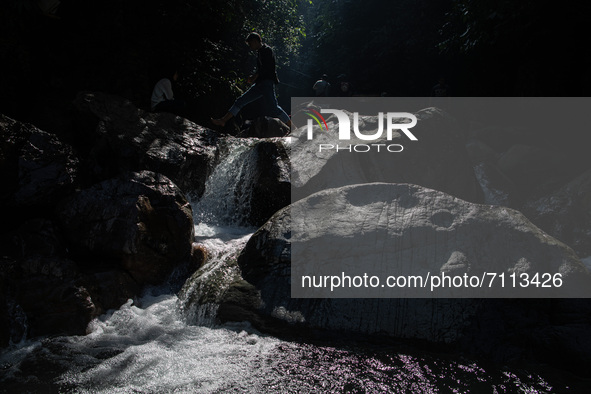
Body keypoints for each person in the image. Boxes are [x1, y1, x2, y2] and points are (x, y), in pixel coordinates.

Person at [211, 32, 291, 127]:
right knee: (240, 101)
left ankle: (292, 127)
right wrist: (255, 77)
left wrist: (254, 76)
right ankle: (223, 120)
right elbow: (262, 68)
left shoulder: (266, 50)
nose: (250, 46)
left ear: (255, 41)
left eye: (250, 44)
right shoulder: (261, 52)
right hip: (260, 84)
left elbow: (266, 67)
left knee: (273, 108)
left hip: (266, 83)